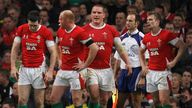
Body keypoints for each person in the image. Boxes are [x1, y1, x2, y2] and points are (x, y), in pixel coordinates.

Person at [83, 4, 132, 108]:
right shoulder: (83, 30)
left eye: (99, 13)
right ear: (91, 15)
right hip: (90, 69)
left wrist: (128, 63)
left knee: (104, 100)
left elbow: (120, 49)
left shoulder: (111, 30)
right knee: (95, 95)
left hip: (106, 69)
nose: (96, 14)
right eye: (94, 12)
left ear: (104, 15)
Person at [49, 10, 98, 108]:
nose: (58, 21)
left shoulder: (80, 32)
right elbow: (57, 45)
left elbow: (94, 48)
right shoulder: (60, 31)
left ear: (68, 20)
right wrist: (59, 59)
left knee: (76, 100)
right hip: (63, 70)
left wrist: (85, 64)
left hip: (75, 71)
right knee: (53, 99)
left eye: (61, 19)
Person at [10, 10, 57, 108]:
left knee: (39, 102)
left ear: (39, 22)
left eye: (34, 26)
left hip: (39, 69)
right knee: (22, 100)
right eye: (30, 25)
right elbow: (14, 49)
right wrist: (13, 67)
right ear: (27, 21)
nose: (32, 28)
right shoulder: (21, 29)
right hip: (24, 68)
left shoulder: (46, 32)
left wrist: (50, 70)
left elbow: (53, 52)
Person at [139, 12, 185, 108]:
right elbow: (140, 52)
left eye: (151, 20)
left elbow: (182, 46)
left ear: (157, 22)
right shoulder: (146, 37)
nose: (148, 22)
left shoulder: (166, 35)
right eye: (147, 20)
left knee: (164, 101)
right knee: (156, 102)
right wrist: (143, 66)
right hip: (151, 73)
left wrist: (174, 61)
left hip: (164, 72)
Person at [114, 13, 144, 108]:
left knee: (136, 101)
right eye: (127, 20)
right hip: (123, 71)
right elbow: (117, 59)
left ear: (137, 23)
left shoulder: (142, 38)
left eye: (130, 21)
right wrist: (114, 75)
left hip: (137, 71)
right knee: (119, 102)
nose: (127, 22)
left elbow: (146, 59)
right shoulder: (121, 38)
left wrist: (143, 77)